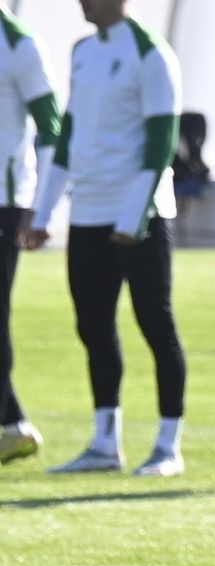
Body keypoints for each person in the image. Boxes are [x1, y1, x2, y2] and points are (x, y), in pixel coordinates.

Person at [26, 0, 186, 477]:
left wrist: (134, 216)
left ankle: (168, 445)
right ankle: (104, 443)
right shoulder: (82, 52)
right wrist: (44, 210)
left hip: (139, 216)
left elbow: (161, 143)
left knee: (155, 325)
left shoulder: (153, 54)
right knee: (93, 327)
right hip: (89, 214)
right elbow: (69, 135)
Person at [0, 3, 60, 466]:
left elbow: (50, 126)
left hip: (4, 204)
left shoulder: (18, 43)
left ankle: (11, 425)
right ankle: (13, 423)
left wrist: (40, 203)